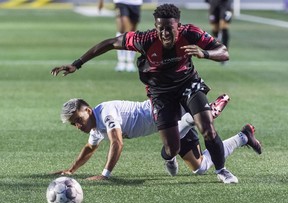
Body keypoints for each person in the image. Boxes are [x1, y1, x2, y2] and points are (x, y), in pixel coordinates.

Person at [51, 4, 238, 183]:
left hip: (188, 85)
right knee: (172, 148)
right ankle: (171, 155)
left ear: (178, 26)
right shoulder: (144, 39)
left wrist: (205, 53)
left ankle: (222, 170)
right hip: (160, 94)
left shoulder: (190, 33)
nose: (164, 33)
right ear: (155, 26)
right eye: (160, 28)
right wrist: (77, 63)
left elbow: (223, 51)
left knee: (207, 128)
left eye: (169, 28)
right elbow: (110, 43)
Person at [51, 95, 262, 182]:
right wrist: (71, 170)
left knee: (171, 145)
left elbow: (117, 142)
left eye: (78, 119)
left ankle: (206, 112)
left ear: (87, 110)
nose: (78, 126)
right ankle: (244, 136)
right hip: (168, 125)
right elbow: (90, 147)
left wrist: (105, 174)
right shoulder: (95, 127)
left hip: (166, 112)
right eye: (74, 124)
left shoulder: (106, 113)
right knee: (199, 168)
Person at [98, 0, 143, 72]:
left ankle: (130, 61)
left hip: (136, 3)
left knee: (132, 31)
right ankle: (122, 60)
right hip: (121, 2)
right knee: (123, 29)